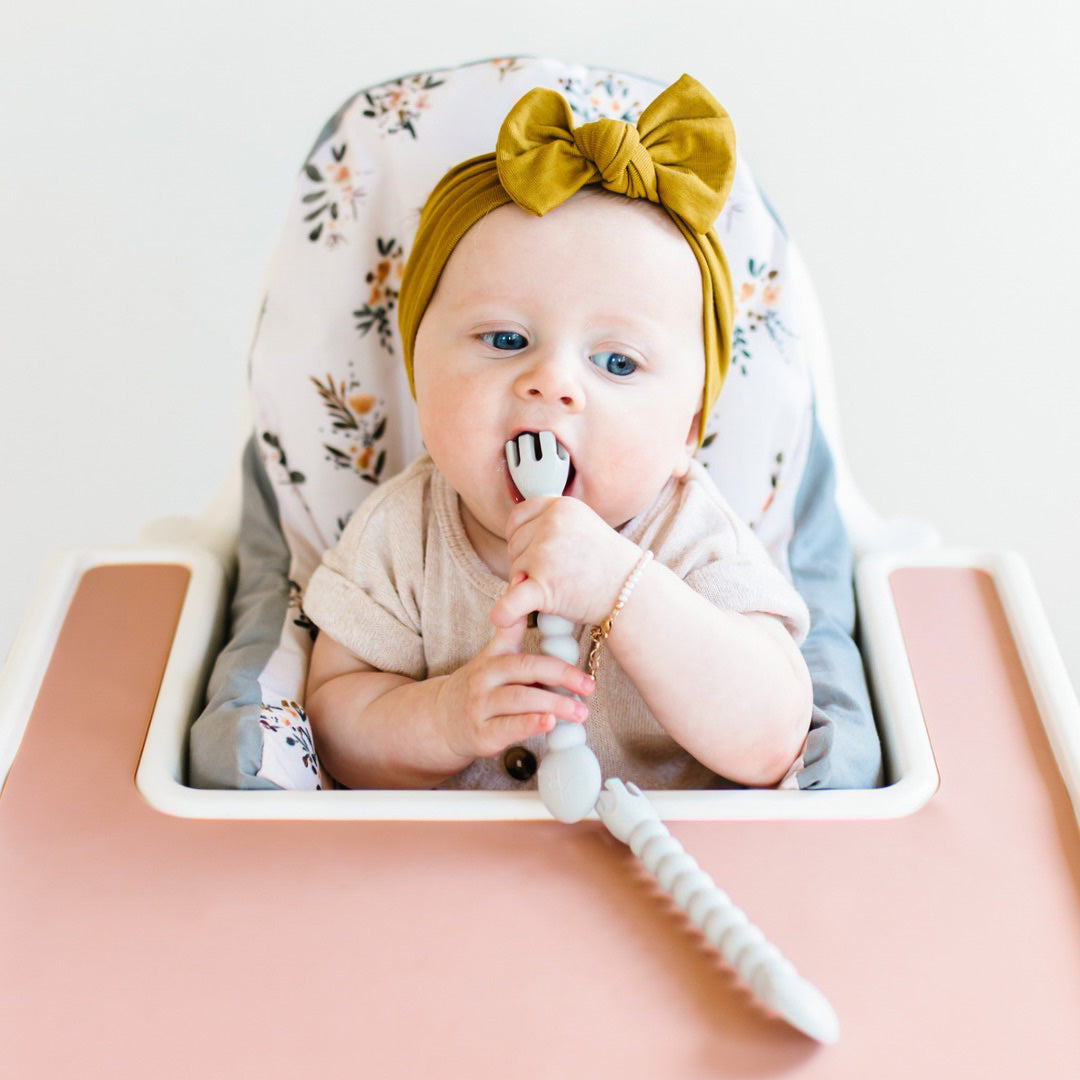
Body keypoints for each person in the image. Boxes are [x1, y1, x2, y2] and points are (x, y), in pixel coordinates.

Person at [302, 75, 813, 792]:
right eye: (506, 338)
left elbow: (772, 738)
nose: (553, 383)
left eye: (616, 362)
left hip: (652, 873)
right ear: (419, 371)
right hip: (444, 876)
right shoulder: (401, 532)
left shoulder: (694, 537)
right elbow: (330, 724)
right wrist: (442, 717)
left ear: (689, 430)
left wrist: (620, 586)